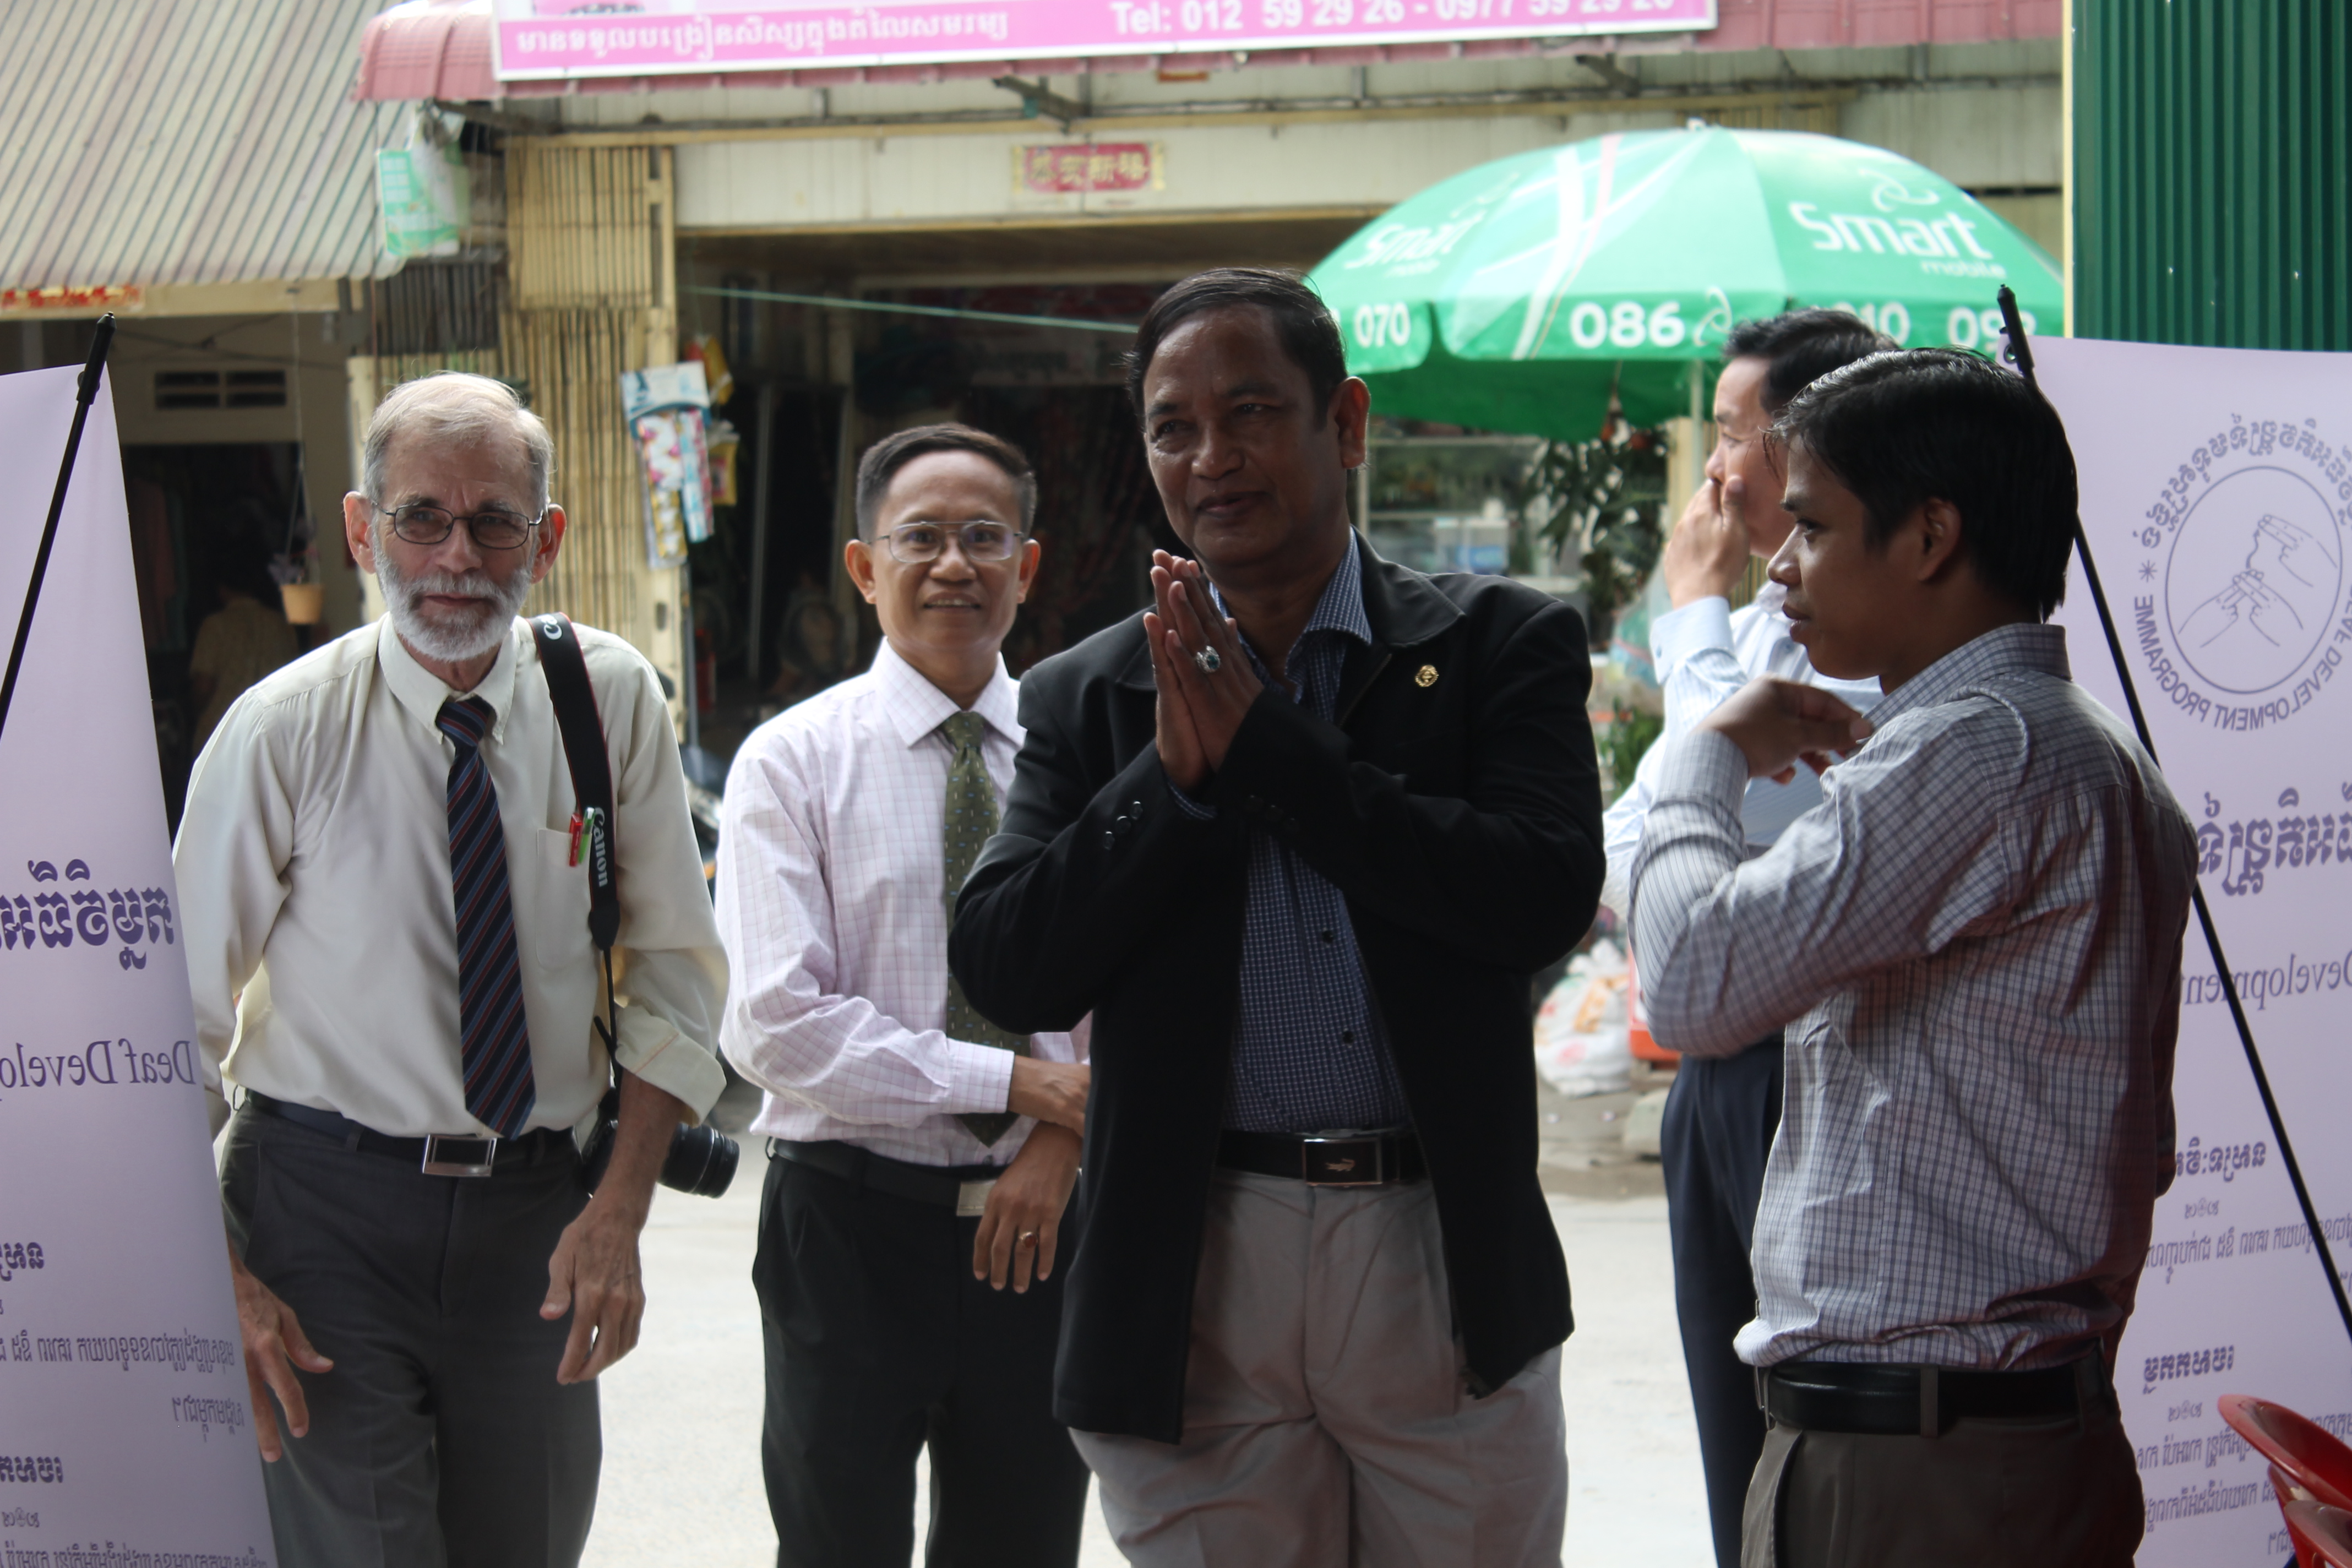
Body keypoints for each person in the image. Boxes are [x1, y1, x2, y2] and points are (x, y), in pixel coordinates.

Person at [949, 268, 1604, 1566]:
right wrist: (1173, 780)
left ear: (1345, 424)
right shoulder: (1091, 692)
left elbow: (1537, 894)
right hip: (1196, 1256)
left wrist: (1275, 753)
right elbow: (1006, 952)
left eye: (1249, 411)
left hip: (1433, 1243)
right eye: (1171, 426)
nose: (1211, 457)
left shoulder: (1492, 646)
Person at [1627, 349, 2197, 1568]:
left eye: (1814, 526)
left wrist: (1706, 747)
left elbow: (1689, 980)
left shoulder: (1980, 750)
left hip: (1927, 1465)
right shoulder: (2071, 749)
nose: (1778, 570)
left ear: (1931, 534)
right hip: (1971, 1444)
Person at [175, 372, 729, 1568]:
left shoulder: (607, 699)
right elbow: (171, 1028)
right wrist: (216, 1276)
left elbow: (675, 976)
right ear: (364, 531)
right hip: (323, 1216)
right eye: (422, 516)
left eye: (494, 521)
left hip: (535, 1218)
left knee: (525, 1543)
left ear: (550, 536)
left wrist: (618, 1209)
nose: (457, 554)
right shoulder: (286, 727)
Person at [714, 423, 1094, 1566]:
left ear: (1026, 569)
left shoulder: (1090, 754)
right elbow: (775, 1023)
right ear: (864, 567)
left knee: (1022, 1544)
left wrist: (1058, 1140)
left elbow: (1143, 982)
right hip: (846, 1226)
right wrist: (1022, 1081)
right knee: (839, 1547)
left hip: (1043, 1221)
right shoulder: (791, 761)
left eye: (985, 538)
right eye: (919, 538)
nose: (954, 565)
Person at [1597, 308, 1890, 1568]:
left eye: (1731, 432)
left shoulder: (1859, 634)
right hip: (1713, 1075)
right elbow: (1636, 846)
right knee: (1732, 1437)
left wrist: (1691, 614)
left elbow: (1735, 821)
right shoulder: (1763, 619)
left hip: (1800, 1057)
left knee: (1803, 1438)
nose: (1713, 467)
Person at [187, 533, 300, 754]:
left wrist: (190, 711)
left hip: (222, 734)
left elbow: (204, 685)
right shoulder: (279, 624)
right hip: (276, 734)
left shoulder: (215, 626)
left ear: (221, 588)